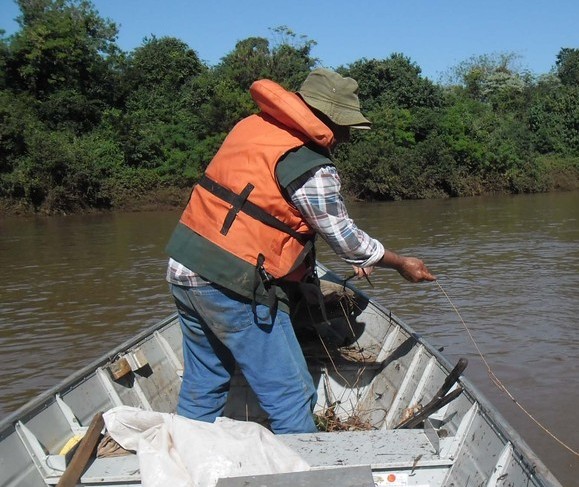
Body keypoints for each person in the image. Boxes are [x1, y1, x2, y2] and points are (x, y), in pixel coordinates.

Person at [165, 68, 435, 434]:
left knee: (205, 381)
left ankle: (181, 462)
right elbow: (347, 242)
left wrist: (300, 278)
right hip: (232, 284)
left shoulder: (252, 128)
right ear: (327, 117)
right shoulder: (309, 165)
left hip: (185, 267)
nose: (343, 139)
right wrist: (401, 263)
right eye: (344, 128)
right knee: (292, 396)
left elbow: (266, 217)